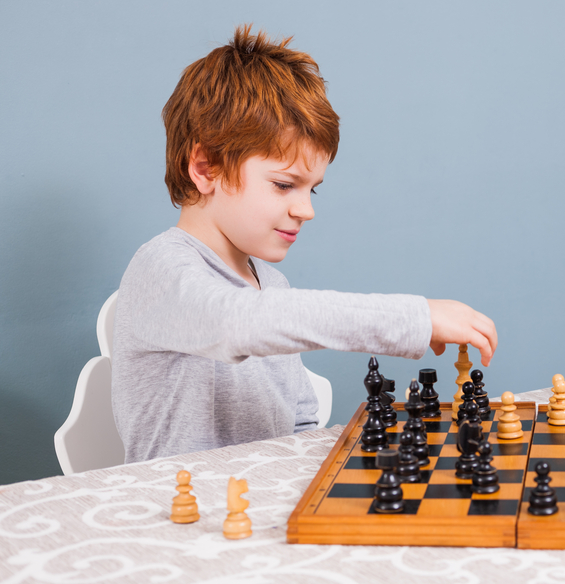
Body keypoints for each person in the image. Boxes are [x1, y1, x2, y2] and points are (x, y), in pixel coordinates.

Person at [112, 26, 497, 462]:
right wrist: (414, 318)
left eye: (311, 190)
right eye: (283, 185)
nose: (305, 210)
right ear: (205, 168)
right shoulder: (160, 270)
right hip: (177, 516)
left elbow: (297, 423)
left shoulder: (273, 286)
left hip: (259, 511)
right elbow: (238, 324)